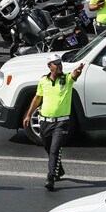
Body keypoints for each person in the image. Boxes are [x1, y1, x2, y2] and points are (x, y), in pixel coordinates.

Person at [22, 54, 84, 191]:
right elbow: (37, 98)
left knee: (55, 149)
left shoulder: (67, 79)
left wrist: (78, 71)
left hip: (61, 123)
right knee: (48, 147)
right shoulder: (43, 81)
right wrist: (28, 115)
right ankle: (58, 169)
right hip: (45, 122)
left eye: (60, 63)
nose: (59, 65)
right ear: (49, 66)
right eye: (56, 63)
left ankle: (51, 177)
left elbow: (74, 75)